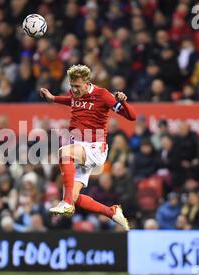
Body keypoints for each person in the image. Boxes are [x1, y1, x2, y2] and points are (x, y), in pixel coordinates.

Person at [39, 64, 137, 230]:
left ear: (87, 83)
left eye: (77, 86)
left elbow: (132, 116)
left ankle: (66, 203)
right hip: (80, 148)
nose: (74, 90)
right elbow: (71, 100)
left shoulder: (103, 95)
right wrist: (53, 98)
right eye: (72, 86)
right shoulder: (74, 94)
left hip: (94, 147)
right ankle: (111, 212)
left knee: (64, 153)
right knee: (75, 196)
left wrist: (124, 103)